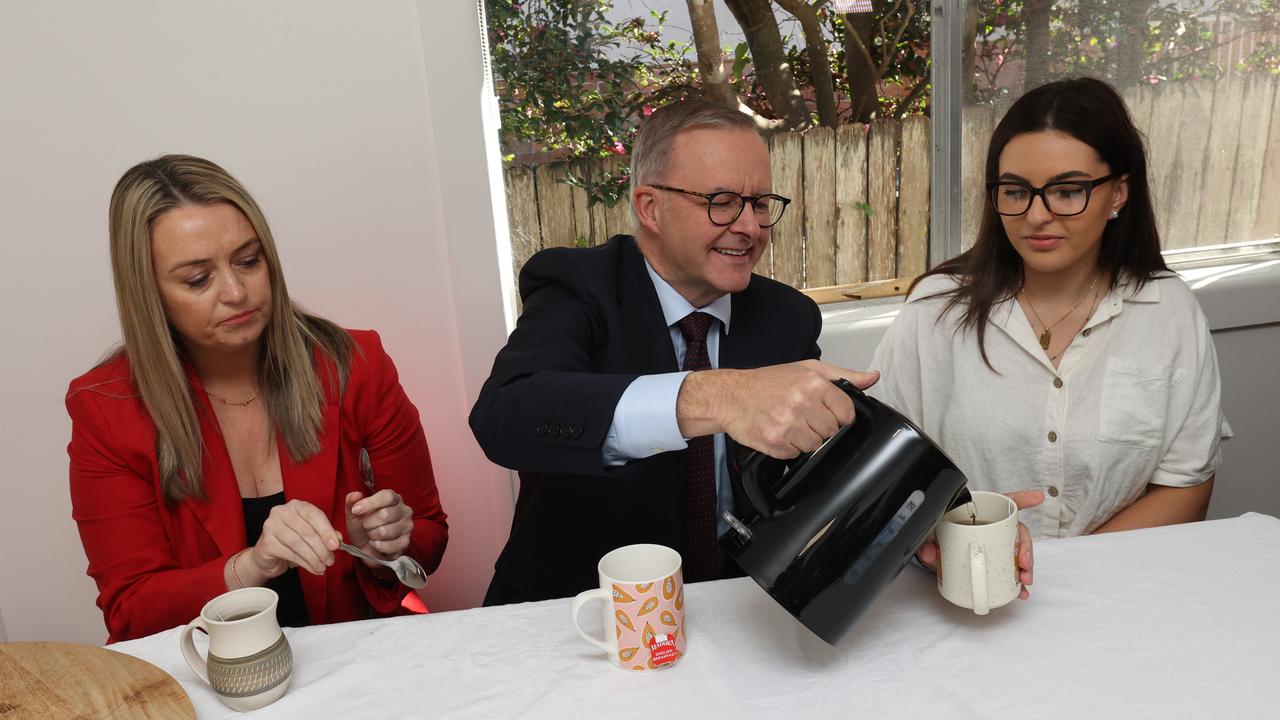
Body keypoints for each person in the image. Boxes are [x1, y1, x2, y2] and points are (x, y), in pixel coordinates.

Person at [470, 98, 1036, 605]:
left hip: (738, 616)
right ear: (649, 207)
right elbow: (505, 415)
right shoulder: (579, 285)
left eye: (760, 203)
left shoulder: (785, 317)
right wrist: (719, 396)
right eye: (721, 202)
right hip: (575, 613)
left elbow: (819, 481)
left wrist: (911, 531)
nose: (749, 226)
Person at [67, 155, 448, 642]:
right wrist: (253, 566)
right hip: (210, 677)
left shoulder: (355, 363)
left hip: (357, 657)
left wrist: (381, 545)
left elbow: (429, 540)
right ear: (149, 294)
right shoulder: (106, 407)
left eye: (249, 260)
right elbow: (131, 611)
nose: (236, 292)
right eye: (198, 279)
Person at [870, 77, 1230, 545]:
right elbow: (883, 476)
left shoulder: (1170, 312)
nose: (1037, 215)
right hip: (971, 589)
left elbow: (1187, 485)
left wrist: (1072, 576)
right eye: (1016, 192)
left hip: (1117, 590)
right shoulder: (936, 311)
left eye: (1067, 191)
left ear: (1119, 193)